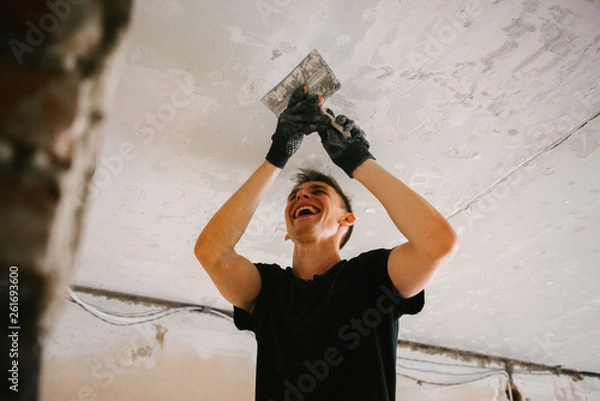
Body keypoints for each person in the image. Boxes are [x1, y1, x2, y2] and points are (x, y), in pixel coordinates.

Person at [194, 85, 458, 400]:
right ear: (287, 231)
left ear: (346, 220)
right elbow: (211, 253)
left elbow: (437, 243)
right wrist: (279, 152)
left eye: (317, 192)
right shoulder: (268, 291)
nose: (302, 195)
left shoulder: (371, 279)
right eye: (294, 197)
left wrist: (357, 159)